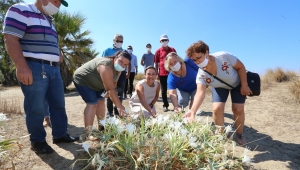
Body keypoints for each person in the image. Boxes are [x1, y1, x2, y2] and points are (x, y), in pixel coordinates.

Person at [3, 0, 79, 154]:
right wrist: (21, 66)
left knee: (58, 104)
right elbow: (10, 39)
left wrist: (57, 56)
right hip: (34, 67)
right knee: (36, 107)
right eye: (56, 1)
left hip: (53, 69)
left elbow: (50, 44)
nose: (58, 5)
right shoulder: (20, 9)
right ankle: (37, 142)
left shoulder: (49, 20)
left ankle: (60, 134)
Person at [183, 40, 252, 145]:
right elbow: (200, 93)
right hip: (219, 87)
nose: (197, 62)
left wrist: (244, 85)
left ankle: (239, 134)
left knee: (238, 109)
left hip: (237, 83)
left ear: (206, 52)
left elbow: (241, 67)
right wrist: (192, 111)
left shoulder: (224, 56)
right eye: (194, 60)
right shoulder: (202, 74)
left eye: (199, 58)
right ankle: (220, 134)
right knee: (217, 109)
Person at [73, 50, 131, 135]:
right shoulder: (105, 66)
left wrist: (106, 93)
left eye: (125, 64)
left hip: (99, 84)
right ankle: (88, 133)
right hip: (84, 81)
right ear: (115, 58)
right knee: (92, 104)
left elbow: (114, 83)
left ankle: (102, 128)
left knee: (101, 102)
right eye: (121, 61)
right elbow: (110, 89)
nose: (122, 65)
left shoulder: (119, 68)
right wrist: (119, 106)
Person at [102, 34, 130, 117]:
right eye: (118, 41)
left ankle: (117, 111)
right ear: (114, 41)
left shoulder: (124, 52)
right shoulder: (107, 50)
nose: (119, 43)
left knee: (120, 92)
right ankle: (109, 111)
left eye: (121, 41)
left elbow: (127, 63)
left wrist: (127, 71)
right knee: (110, 90)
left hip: (121, 74)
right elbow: (102, 61)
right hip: (110, 73)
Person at [154, 34, 176, 112]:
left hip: (172, 73)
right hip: (162, 73)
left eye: (165, 40)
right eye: (162, 40)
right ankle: (165, 105)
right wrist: (156, 73)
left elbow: (176, 60)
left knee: (173, 89)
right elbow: (156, 63)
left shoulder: (172, 49)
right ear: (160, 41)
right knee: (163, 90)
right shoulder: (158, 51)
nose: (164, 42)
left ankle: (176, 106)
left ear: (168, 41)